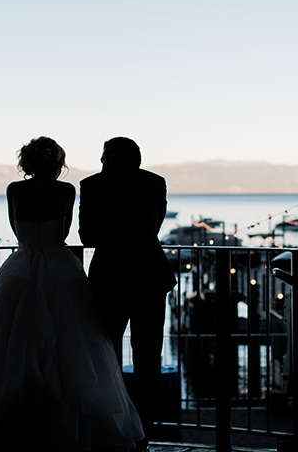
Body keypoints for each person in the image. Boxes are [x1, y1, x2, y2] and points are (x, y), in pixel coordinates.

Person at [0, 137, 144, 452]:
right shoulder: (66, 190)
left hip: (21, 268)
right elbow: (64, 233)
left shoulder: (14, 190)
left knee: (10, 344)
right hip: (59, 268)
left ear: (27, 162)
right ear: (56, 163)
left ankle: (11, 429)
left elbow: (15, 227)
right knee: (72, 347)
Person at [78, 137, 177, 448]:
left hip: (109, 277)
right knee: (149, 357)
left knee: (107, 357)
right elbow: (154, 227)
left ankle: (113, 428)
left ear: (107, 158)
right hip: (150, 273)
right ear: (137, 158)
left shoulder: (92, 185)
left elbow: (86, 236)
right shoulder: (155, 182)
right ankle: (144, 431)